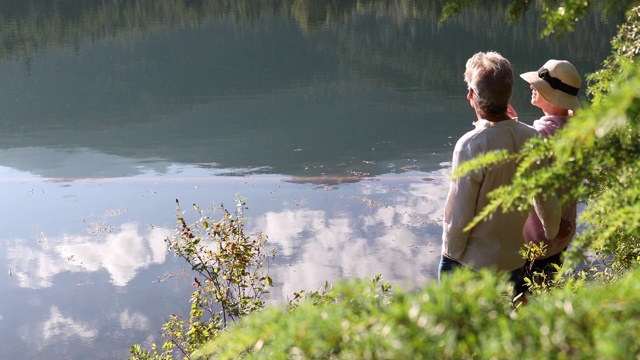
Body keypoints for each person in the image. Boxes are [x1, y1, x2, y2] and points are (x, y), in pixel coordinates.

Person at [438, 51, 561, 290]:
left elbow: (459, 214)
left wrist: (449, 256)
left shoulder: (471, 145)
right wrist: (551, 232)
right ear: (509, 94)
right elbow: (546, 199)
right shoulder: (532, 137)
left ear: (471, 95)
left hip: (473, 265)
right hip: (514, 261)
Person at [517, 59, 581, 290]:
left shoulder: (541, 135)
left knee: (524, 300)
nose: (532, 87)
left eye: (539, 86)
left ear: (554, 97)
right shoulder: (574, 129)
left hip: (538, 240)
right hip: (563, 234)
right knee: (547, 293)